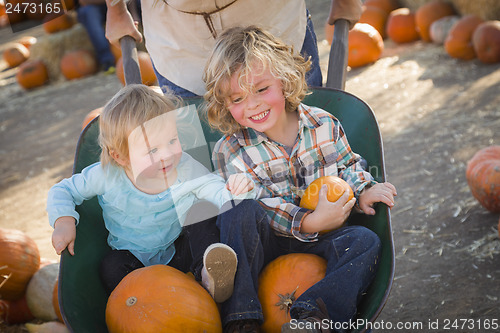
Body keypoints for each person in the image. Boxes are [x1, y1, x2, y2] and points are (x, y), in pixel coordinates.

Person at [203, 26, 397, 332]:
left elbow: (347, 165)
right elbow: (260, 206)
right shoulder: (231, 150)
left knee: (364, 241)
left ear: (284, 80)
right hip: (264, 247)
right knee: (239, 212)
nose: (252, 104)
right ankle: (242, 319)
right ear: (224, 104)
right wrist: (310, 221)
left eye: (261, 89)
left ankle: (314, 317)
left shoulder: (324, 125)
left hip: (322, 240)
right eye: (237, 98)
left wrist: (364, 189)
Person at [47, 84, 255, 301]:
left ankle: (207, 276)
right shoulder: (107, 175)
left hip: (179, 250)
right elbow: (63, 190)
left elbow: (216, 192)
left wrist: (238, 190)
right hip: (134, 261)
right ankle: (149, 303)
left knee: (202, 211)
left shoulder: (184, 167)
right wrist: (64, 221)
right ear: (121, 157)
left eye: (172, 141)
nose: (166, 155)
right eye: (153, 150)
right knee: (111, 266)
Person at [104, 0, 362, 97]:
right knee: (204, 169)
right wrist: (115, 8)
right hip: (178, 34)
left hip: (272, 19)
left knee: (309, 135)